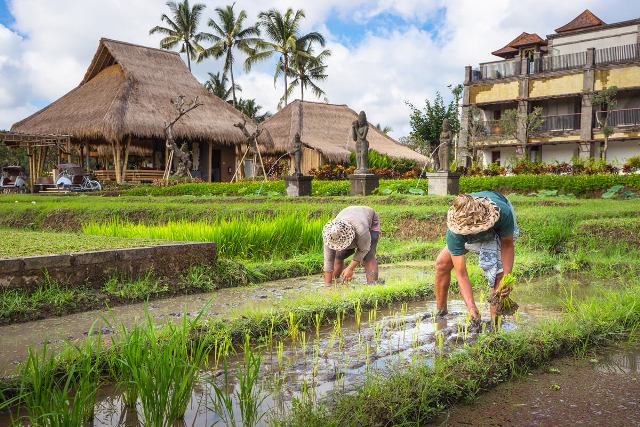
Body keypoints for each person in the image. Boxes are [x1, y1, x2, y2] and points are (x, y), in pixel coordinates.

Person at [434, 191, 519, 327]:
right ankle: (441, 314)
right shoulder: (456, 232)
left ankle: (495, 327)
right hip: (468, 230)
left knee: (499, 275)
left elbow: (507, 245)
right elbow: (461, 273)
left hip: (495, 230)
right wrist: (471, 307)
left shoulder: (503, 213)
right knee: (442, 264)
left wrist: (507, 276)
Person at [323, 206, 380, 285]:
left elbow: (364, 249)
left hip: (368, 220)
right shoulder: (330, 235)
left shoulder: (361, 230)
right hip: (349, 214)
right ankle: (334, 283)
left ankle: (373, 285)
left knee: (368, 256)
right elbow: (328, 261)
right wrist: (327, 285)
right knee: (339, 255)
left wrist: (350, 268)